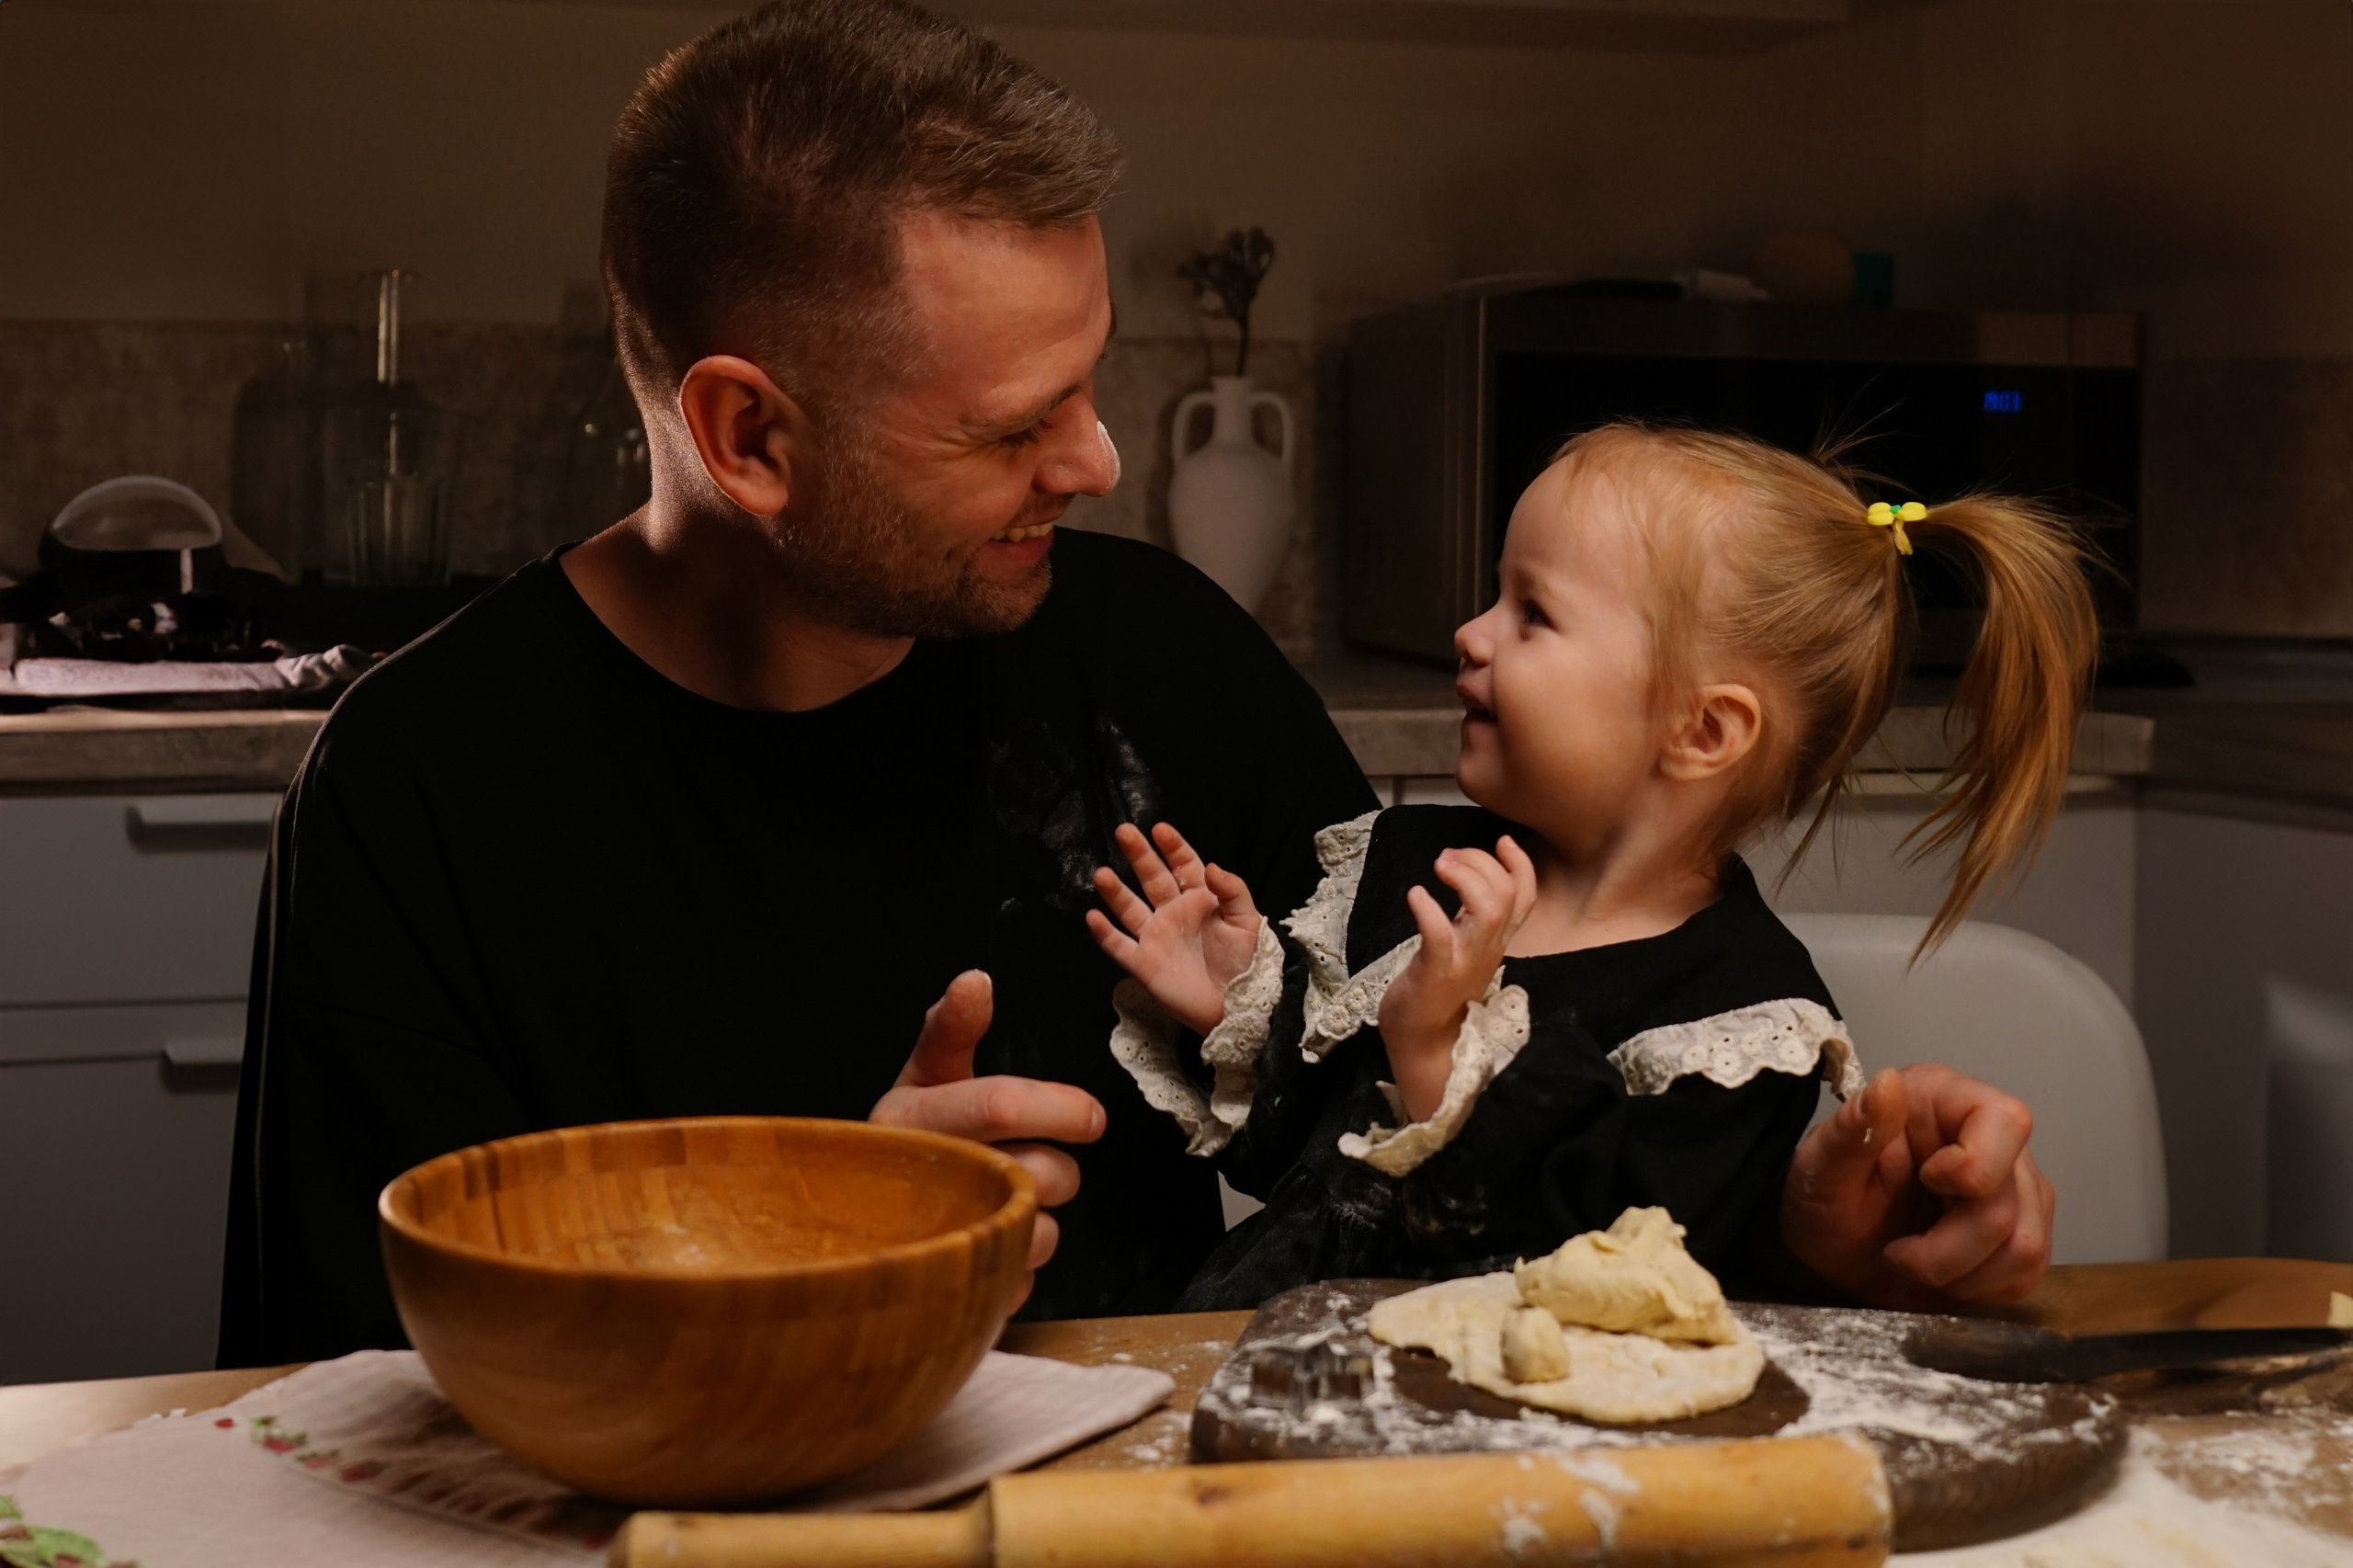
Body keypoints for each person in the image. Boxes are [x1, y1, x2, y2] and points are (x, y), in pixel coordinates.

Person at [219, 0, 2052, 1367]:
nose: (1099, 461)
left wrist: (1824, 1233)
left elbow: (1483, 1167)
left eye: (1095, 379)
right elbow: (333, 1409)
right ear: (746, 436)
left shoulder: (1160, 657)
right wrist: (790, 1248)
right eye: (1016, 424)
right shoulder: (421, 789)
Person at [1090, 424, 2089, 1310]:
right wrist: (1236, 1009)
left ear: (1701, 728)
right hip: (1266, 1355)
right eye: (1495, 593)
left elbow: (1602, 1290)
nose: (1470, 633)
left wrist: (1438, 1052)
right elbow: (1308, 1178)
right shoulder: (1412, 865)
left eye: (1534, 613)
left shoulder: (1738, 1022)